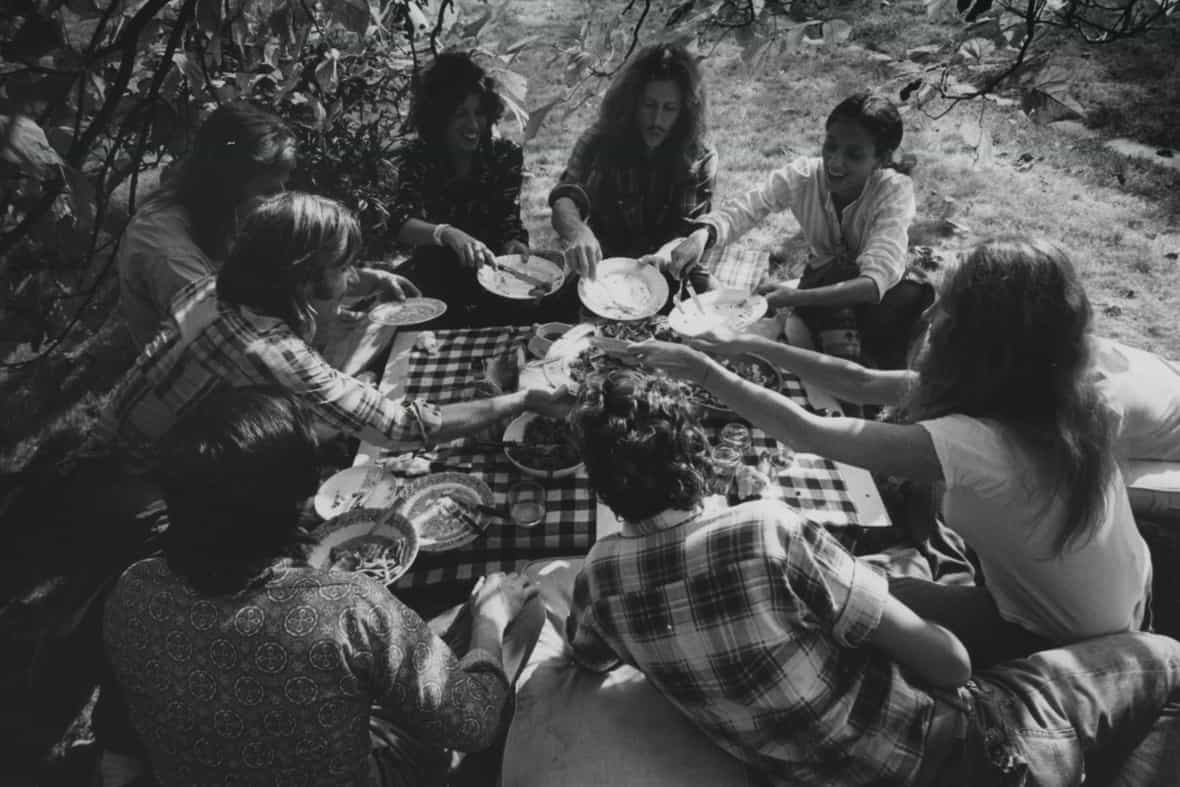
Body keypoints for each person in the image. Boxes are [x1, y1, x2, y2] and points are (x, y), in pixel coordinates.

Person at [564, 369, 1180, 786]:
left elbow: (587, 658)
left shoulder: (598, 580)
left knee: (917, 564)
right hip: (970, 752)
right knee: (1167, 659)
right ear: (698, 453)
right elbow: (952, 666)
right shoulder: (765, 531)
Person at [626, 236, 1152, 668]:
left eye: (951, 307)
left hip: (1067, 648)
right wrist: (749, 344)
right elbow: (860, 381)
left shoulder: (987, 443)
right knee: (875, 588)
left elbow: (811, 433)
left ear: (986, 342)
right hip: (1124, 602)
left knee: (840, 609)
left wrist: (700, 371)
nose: (935, 312)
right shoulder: (1049, 394)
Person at [100, 387, 543, 785]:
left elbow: (122, 722)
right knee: (521, 608)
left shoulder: (132, 589)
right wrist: (489, 620)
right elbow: (472, 723)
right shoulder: (346, 607)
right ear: (294, 500)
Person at [107, 191, 571, 454]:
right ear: (303, 278)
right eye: (344, 266)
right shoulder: (270, 353)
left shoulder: (217, 288)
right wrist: (522, 398)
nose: (352, 274)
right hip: (139, 482)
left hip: (120, 436)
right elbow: (400, 426)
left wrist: (361, 280)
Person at [117, 101, 408, 352]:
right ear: (227, 183)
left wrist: (358, 279)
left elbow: (275, 276)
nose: (279, 197)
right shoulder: (168, 252)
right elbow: (232, 337)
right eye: (268, 189)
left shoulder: (222, 212)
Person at [659, 92, 924, 368]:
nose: (835, 162)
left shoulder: (893, 191)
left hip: (880, 303)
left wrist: (797, 297)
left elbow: (874, 283)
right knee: (784, 334)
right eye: (830, 145)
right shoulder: (806, 177)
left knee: (853, 370)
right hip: (823, 287)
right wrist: (702, 236)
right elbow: (749, 207)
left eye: (853, 155)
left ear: (880, 160)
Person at [549, 43, 720, 301]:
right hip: (603, 267)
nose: (657, 121)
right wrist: (578, 232)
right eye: (649, 105)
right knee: (549, 304)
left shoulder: (700, 156)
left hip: (671, 269)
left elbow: (689, 235)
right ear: (631, 103)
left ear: (685, 111)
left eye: (669, 109)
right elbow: (565, 197)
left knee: (713, 309)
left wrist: (663, 259)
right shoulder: (598, 140)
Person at [389, 51, 539, 327]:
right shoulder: (418, 156)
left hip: (494, 278)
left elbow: (508, 220)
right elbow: (399, 223)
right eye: (460, 114)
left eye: (479, 113)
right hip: (434, 281)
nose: (472, 125)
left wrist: (514, 244)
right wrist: (446, 233)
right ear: (439, 117)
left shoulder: (504, 155)